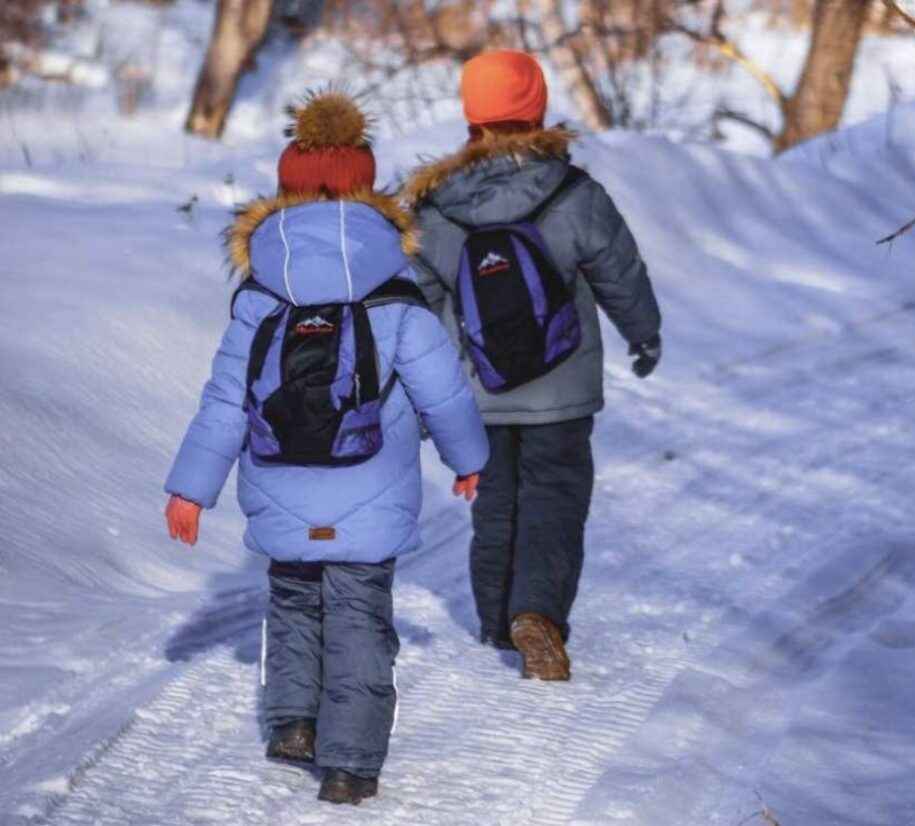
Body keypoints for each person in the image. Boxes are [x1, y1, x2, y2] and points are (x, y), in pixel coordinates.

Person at [162, 90, 488, 805]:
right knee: (359, 617)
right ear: (368, 194)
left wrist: (190, 488)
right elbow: (443, 393)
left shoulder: (260, 295)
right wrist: (469, 461)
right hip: (370, 488)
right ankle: (349, 764)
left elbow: (225, 401)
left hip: (280, 481)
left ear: (285, 193)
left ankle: (293, 723)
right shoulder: (395, 292)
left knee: (292, 600)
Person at [402, 51, 663, 681]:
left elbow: (423, 307)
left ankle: (498, 619)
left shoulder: (435, 209)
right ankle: (537, 614)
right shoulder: (573, 193)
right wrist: (644, 334)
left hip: (480, 389)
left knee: (496, 502)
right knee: (555, 497)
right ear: (538, 110)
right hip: (561, 387)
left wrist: (431, 389)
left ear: (472, 118)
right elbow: (620, 273)